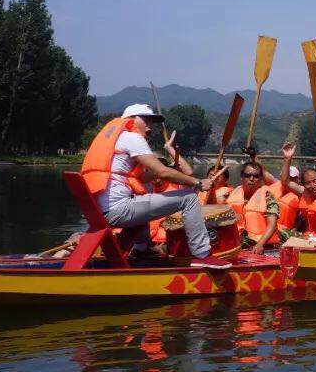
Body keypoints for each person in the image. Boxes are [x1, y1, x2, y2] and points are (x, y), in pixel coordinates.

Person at [80, 104, 224, 267]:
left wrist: (171, 171)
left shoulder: (114, 138)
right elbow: (161, 173)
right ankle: (203, 254)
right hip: (117, 210)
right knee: (189, 197)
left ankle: (142, 248)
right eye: (146, 120)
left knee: (143, 190)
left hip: (99, 212)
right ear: (131, 119)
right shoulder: (131, 137)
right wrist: (198, 182)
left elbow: (142, 176)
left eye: (152, 122)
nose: (150, 127)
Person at [226, 160, 281, 255]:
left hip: (264, 246)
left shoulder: (268, 196)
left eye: (256, 176)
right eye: (247, 175)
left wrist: (260, 244)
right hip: (239, 245)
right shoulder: (231, 195)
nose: (251, 179)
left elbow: (272, 224)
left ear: (261, 179)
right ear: (241, 177)